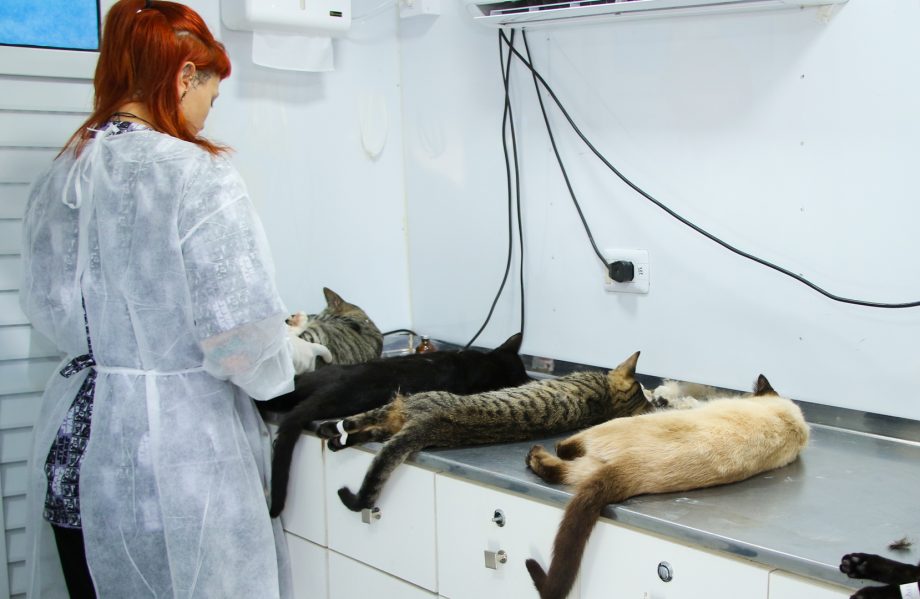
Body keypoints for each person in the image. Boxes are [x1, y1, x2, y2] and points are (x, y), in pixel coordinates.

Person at [19, 1, 331, 596]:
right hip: (173, 464)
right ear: (186, 75)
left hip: (79, 457)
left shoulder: (63, 172)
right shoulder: (193, 173)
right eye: (211, 92)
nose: (209, 109)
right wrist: (287, 354)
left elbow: (48, 307)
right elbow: (241, 343)